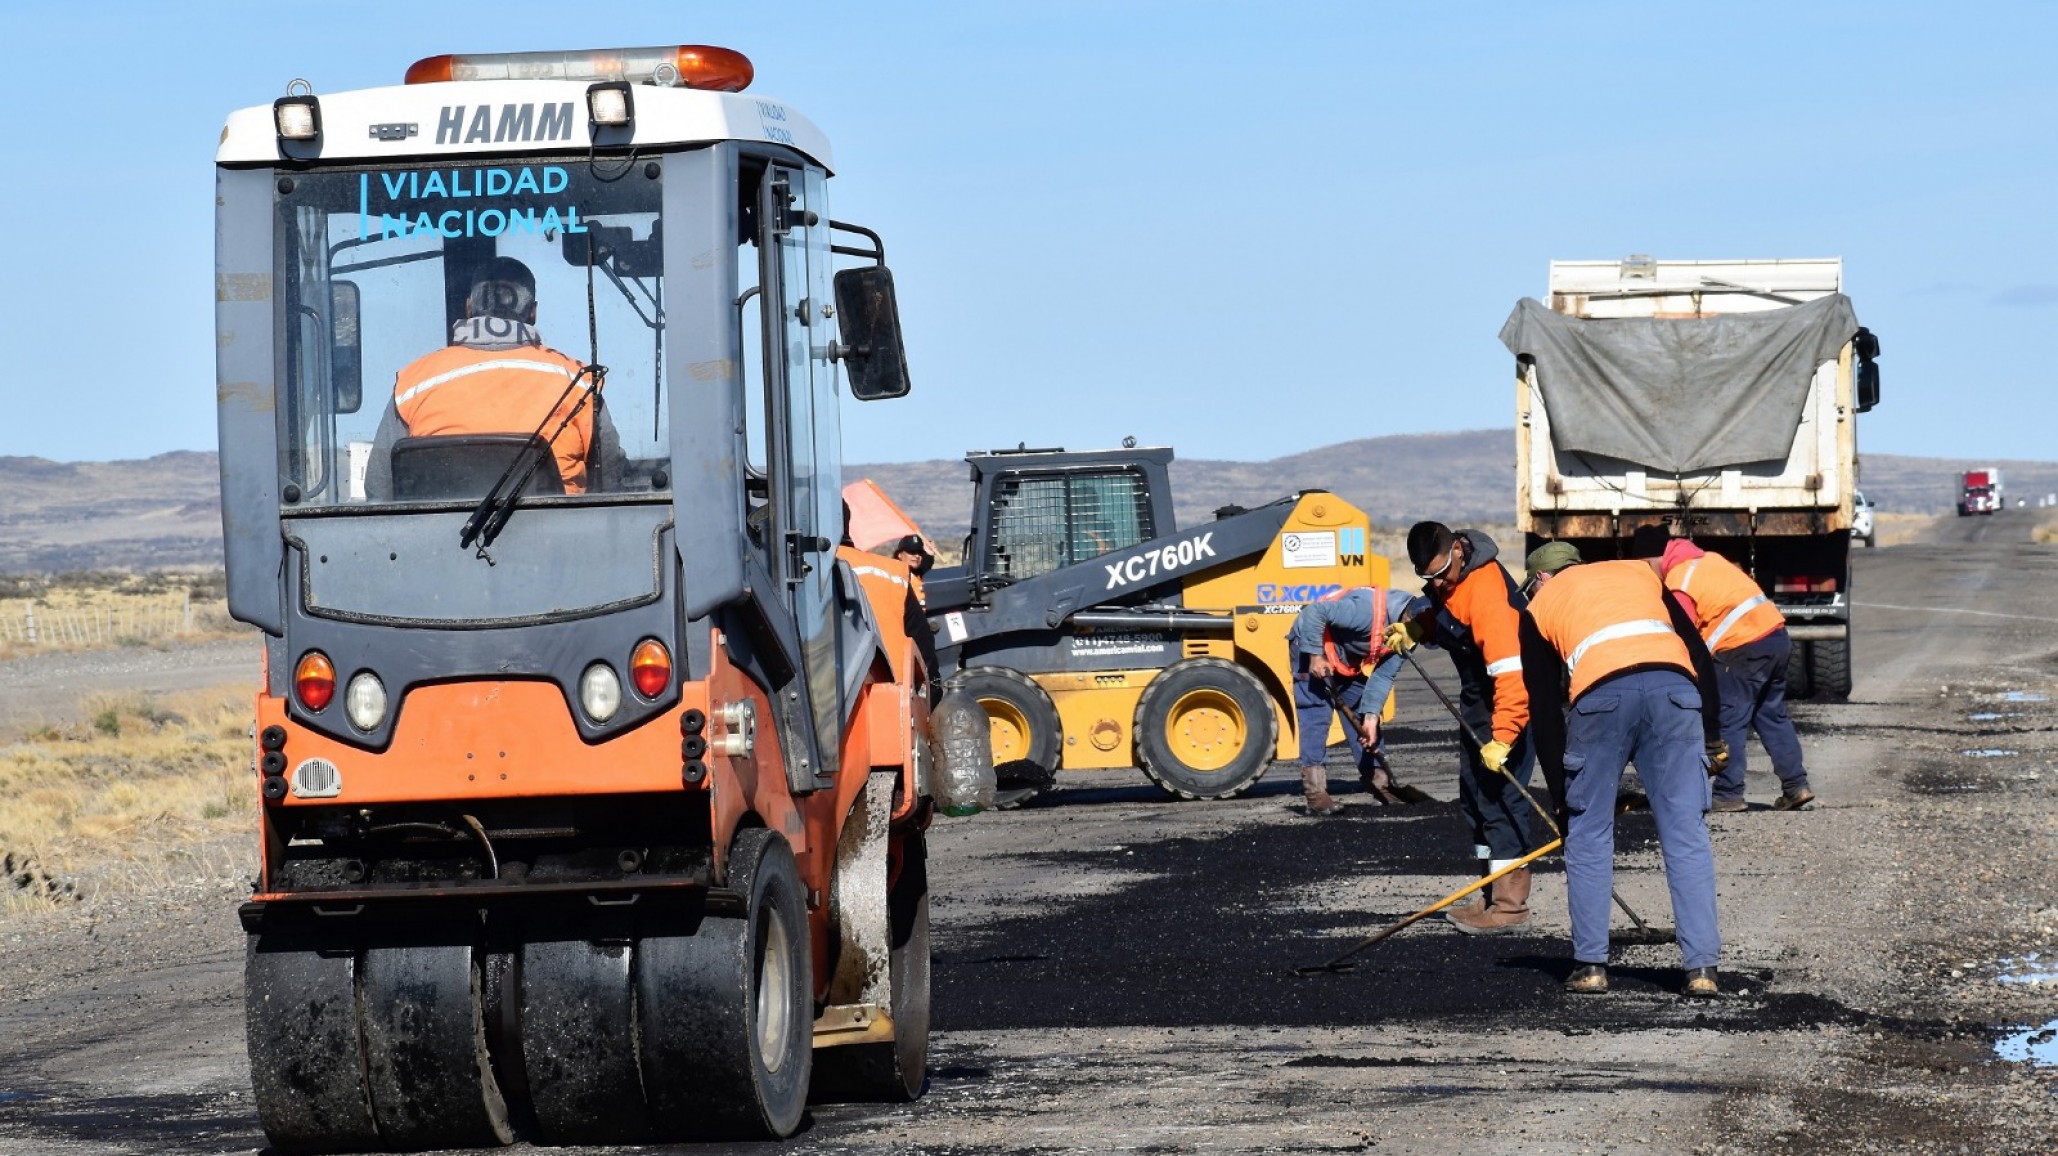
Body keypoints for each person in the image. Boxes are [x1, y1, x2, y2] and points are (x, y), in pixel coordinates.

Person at [1518, 548, 1725, 997]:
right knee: (1685, 832)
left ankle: (1591, 967)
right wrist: (1713, 737)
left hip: (1601, 699)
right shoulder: (1638, 574)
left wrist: (1561, 793)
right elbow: (1699, 653)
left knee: (1589, 833)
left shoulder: (1539, 605)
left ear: (1541, 576)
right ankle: (1702, 970)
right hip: (1676, 694)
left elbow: (1543, 707)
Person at [1384, 523, 1542, 934]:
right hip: (1477, 706)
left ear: (1458, 549)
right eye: (1427, 578)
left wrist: (1504, 737)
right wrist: (1418, 628)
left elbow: (1513, 675)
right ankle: (1489, 891)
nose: (1437, 583)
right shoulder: (1449, 582)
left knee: (1501, 803)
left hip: (1508, 706)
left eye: (1441, 573)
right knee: (1473, 801)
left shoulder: (1488, 593)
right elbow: (1448, 614)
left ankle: (1511, 907)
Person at [364, 256, 624, 499]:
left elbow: (380, 489)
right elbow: (610, 482)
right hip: (564, 543)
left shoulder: (413, 384)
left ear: (468, 307)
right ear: (532, 312)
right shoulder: (578, 383)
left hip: (435, 545)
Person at [1629, 525, 1813, 812]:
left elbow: (1683, 635)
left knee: (1729, 720)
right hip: (1775, 637)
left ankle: (1728, 793)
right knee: (1771, 715)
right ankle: (1796, 786)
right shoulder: (1709, 559)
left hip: (1743, 646)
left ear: (1652, 560)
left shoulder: (1679, 580)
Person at [1287, 586, 1421, 815]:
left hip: (1343, 658)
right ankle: (1315, 793)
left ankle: (1379, 782)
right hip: (1309, 644)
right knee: (1316, 714)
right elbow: (1314, 613)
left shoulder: (1410, 633)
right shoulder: (1365, 611)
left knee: (1363, 713)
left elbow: (1383, 675)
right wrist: (1316, 657)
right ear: (1406, 617)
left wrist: (1370, 718)